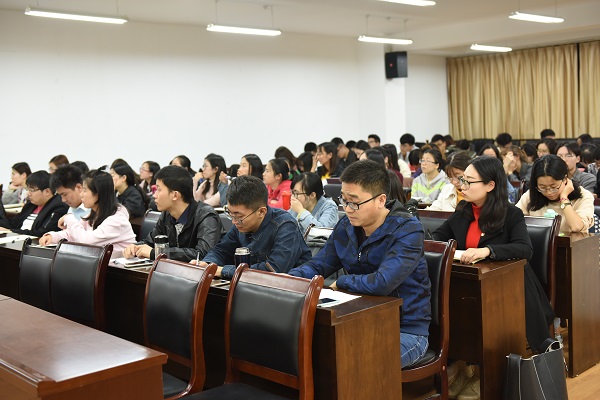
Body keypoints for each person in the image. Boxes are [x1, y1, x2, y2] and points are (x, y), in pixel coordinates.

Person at [288, 160, 431, 368]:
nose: (347, 209)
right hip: (357, 319)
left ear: (381, 200)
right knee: (307, 351)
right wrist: (287, 279)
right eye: (343, 200)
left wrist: (342, 282)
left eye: (354, 203)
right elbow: (318, 265)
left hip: (404, 329)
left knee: (353, 362)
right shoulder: (346, 226)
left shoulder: (408, 230)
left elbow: (382, 282)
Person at [432, 156, 554, 398]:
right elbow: (438, 236)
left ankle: (484, 376)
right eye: (462, 180)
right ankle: (465, 369)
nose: (462, 186)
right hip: (471, 285)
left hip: (510, 290)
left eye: (469, 181)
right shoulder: (464, 210)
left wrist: (488, 251)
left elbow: (525, 248)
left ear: (490, 185)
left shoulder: (511, 214)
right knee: (452, 308)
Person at [193, 175, 312, 280]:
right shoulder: (241, 224)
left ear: (261, 212)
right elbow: (221, 251)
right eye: (230, 214)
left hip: (289, 291)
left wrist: (223, 271)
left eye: (239, 216)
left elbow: (274, 270)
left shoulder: (285, 225)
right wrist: (207, 265)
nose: (234, 221)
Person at [123, 166, 223, 262]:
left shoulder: (206, 216)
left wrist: (157, 253)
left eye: (159, 189)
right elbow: (150, 242)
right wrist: (135, 247)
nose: (154, 195)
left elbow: (202, 254)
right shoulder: (167, 214)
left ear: (175, 195)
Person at [39, 170, 136, 251]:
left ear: (98, 194)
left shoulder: (117, 219)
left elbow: (87, 241)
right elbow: (74, 234)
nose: (81, 195)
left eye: (85, 191)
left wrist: (68, 218)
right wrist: (52, 237)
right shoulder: (94, 213)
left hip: (118, 267)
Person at [516, 155, 594, 233]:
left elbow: (576, 227)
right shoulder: (532, 194)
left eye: (554, 187)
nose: (549, 192)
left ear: (565, 179)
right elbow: (513, 220)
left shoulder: (584, 196)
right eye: (543, 187)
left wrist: (564, 198)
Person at [0, 170, 68, 237]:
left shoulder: (58, 207)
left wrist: (11, 231)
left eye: (32, 190)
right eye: (27, 189)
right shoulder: (31, 205)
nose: (28, 193)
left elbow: (42, 232)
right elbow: (13, 223)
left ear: (47, 191)